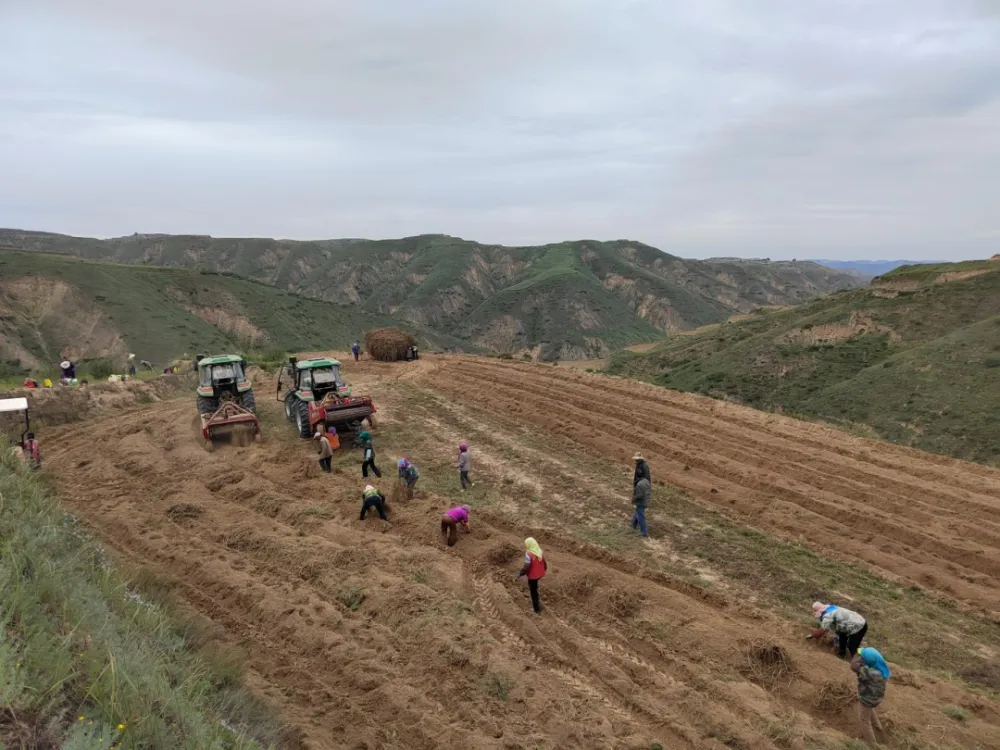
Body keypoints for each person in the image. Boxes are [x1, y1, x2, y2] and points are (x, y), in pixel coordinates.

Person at [852, 647, 889, 745]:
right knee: (871, 712)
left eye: (863, 657)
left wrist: (857, 654)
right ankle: (880, 733)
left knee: (865, 721)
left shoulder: (868, 672)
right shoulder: (880, 670)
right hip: (874, 698)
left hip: (867, 698)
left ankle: (872, 744)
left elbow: (854, 666)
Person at [516, 537, 548, 614]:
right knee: (535, 586)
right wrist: (544, 569)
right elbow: (544, 563)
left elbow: (527, 567)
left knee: (533, 591)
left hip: (533, 576)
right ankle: (537, 591)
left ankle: (536, 609)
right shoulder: (540, 551)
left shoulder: (528, 554)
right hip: (540, 573)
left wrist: (521, 573)